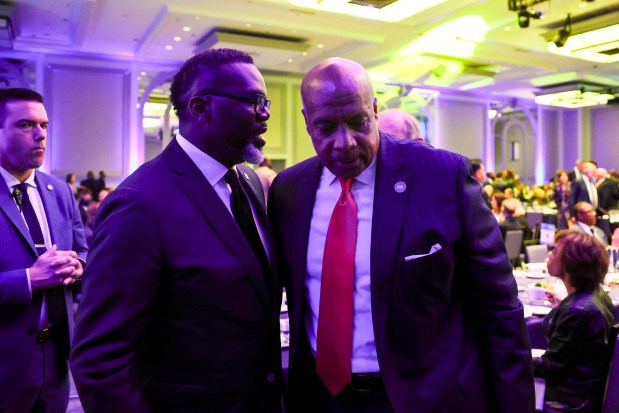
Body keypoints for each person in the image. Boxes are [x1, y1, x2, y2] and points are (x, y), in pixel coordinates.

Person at [268, 57, 534, 413]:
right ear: (306, 123)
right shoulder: (289, 191)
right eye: (326, 127)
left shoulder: (442, 176)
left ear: (375, 110)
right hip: (320, 398)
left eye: (358, 122)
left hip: (423, 396)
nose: (345, 142)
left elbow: (499, 308)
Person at [70, 48, 283, 413]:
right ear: (200, 108)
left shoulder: (245, 179)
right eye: (254, 101)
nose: (265, 113)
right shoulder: (139, 204)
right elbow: (100, 360)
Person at [0, 88, 87, 413]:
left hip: (56, 358)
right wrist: (28, 280)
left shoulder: (59, 191)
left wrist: (77, 265)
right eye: (25, 125)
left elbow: (82, 250)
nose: (40, 135)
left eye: (44, 125)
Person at [534, 230, 615, 412]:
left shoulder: (577, 311)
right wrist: (562, 305)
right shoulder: (598, 295)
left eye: (555, 251)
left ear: (571, 262)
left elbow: (550, 368)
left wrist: (515, 358)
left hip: (570, 399)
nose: (549, 254)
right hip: (586, 391)